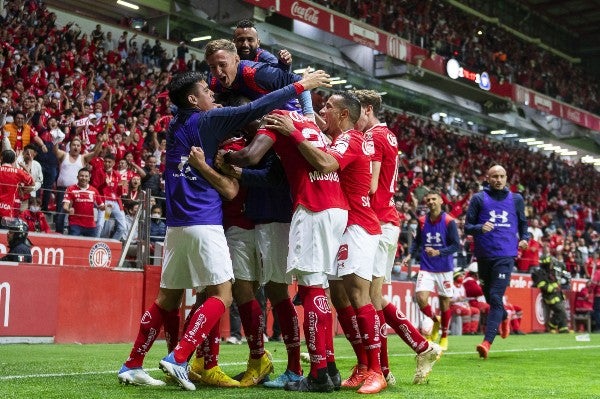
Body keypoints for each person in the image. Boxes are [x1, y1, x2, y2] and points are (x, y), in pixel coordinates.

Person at [117, 69, 330, 390]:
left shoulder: (176, 125)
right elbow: (250, 112)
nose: (212, 95)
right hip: (205, 222)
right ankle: (179, 358)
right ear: (193, 99)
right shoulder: (206, 123)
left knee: (168, 298)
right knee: (221, 293)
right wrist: (301, 86)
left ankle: (132, 364)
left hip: (177, 225)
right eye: (206, 91)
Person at [263, 92, 387, 393]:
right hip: (345, 224)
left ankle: (376, 370)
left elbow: (327, 164)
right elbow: (316, 126)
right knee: (341, 297)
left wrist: (292, 131)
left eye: (328, 107)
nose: (322, 112)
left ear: (344, 114)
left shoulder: (350, 139)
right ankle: (359, 366)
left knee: (360, 296)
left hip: (359, 224)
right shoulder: (335, 137)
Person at [223, 108, 349, 391]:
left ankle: (315, 373)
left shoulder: (279, 121)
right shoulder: (311, 124)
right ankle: (327, 368)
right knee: (317, 287)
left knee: (309, 289)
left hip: (311, 207)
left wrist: (227, 159)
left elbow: (254, 158)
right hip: (335, 206)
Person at [353, 89, 441, 384]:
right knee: (371, 297)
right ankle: (392, 365)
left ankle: (413, 351)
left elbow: (372, 185)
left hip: (377, 221)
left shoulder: (374, 137)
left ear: (366, 109)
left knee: (369, 297)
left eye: (356, 110)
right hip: (383, 220)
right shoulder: (387, 135)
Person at [464, 164, 529, 359]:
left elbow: (524, 223)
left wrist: (525, 238)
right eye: (494, 177)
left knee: (494, 295)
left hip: (506, 255)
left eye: (501, 176)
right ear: (488, 178)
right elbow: (467, 226)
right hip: (484, 256)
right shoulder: (478, 199)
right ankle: (504, 316)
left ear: (506, 177)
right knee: (492, 299)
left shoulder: (516, 199)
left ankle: (486, 342)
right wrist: (479, 228)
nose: (498, 180)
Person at [403, 189, 459, 351]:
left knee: (444, 303)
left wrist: (439, 252)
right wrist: (409, 255)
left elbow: (455, 245)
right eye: (428, 200)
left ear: (441, 201)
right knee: (421, 299)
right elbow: (417, 242)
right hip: (426, 267)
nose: (431, 202)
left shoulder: (449, 221)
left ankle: (444, 337)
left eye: (434, 199)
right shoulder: (421, 221)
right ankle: (435, 320)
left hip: (444, 268)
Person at [204, 39, 315, 120]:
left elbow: (301, 82)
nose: (218, 72)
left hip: (292, 116)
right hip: (262, 118)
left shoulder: (254, 73)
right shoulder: (213, 82)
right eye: (212, 67)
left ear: (236, 59)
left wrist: (309, 117)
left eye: (223, 65)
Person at [532, 255, 570, 333]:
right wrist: (554, 286)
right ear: (547, 264)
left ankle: (563, 329)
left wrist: (560, 282)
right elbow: (542, 286)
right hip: (550, 297)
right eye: (551, 263)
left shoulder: (552, 272)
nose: (552, 265)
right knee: (560, 311)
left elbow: (558, 282)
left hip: (558, 295)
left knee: (562, 311)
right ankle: (551, 326)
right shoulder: (539, 273)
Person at [63, 168, 105, 237]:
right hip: (75, 224)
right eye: (81, 176)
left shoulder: (94, 190)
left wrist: (106, 207)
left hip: (90, 225)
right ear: (77, 177)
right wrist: (68, 210)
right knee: (73, 245)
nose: (84, 178)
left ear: (89, 178)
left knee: (91, 247)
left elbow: (101, 207)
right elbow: (65, 205)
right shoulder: (70, 189)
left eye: (86, 176)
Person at [0, 149, 34, 219]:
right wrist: (27, 165)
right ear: (13, 160)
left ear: (1, 158)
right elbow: (32, 182)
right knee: (5, 229)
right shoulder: (18, 172)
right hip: (8, 210)